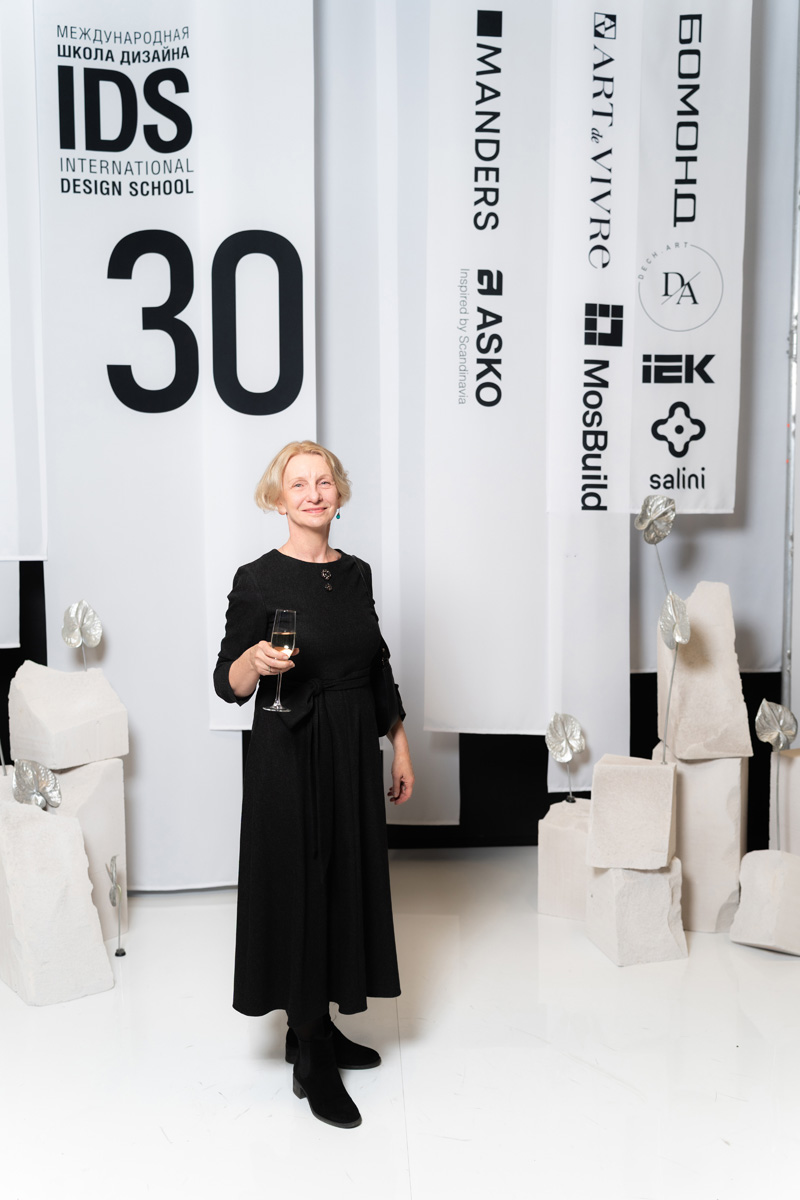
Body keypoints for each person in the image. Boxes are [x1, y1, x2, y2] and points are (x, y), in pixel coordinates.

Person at [214, 440, 414, 1130]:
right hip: (289, 748)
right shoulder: (257, 579)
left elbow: (377, 663)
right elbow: (228, 684)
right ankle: (311, 1054)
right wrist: (254, 658)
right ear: (278, 499)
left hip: (352, 746)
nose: (312, 494)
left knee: (341, 880)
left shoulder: (356, 574)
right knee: (300, 882)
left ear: (339, 493)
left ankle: (315, 1026)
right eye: (297, 484)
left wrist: (398, 744)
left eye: (323, 482)